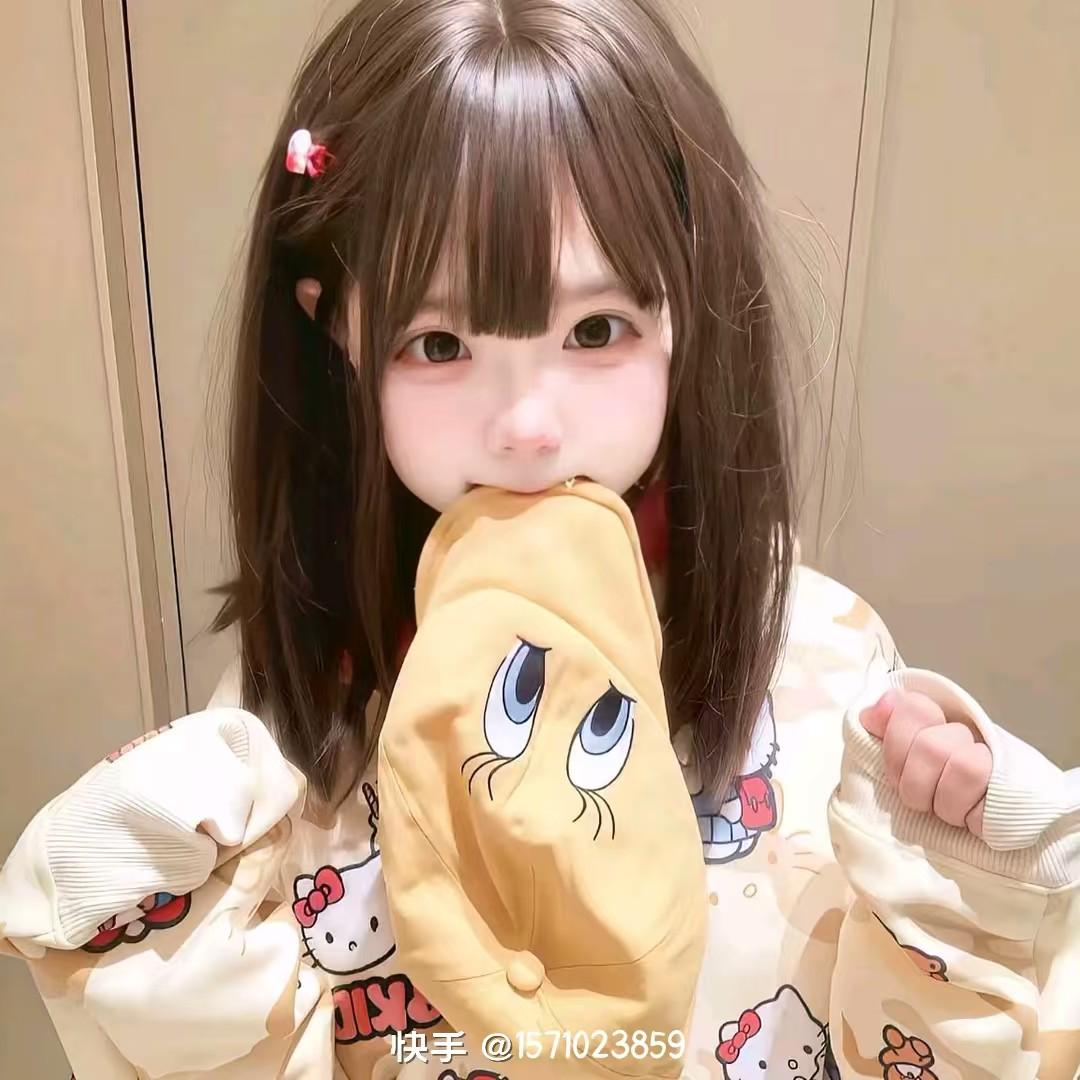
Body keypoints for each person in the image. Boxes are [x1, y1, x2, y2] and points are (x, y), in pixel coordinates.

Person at [0, 1, 1076, 1077]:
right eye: (439, 344)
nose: (526, 425)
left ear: (686, 307)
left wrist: (958, 866)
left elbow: (892, 1047)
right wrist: (148, 914)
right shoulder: (291, 726)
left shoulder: (817, 655)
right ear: (339, 329)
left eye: (595, 331)